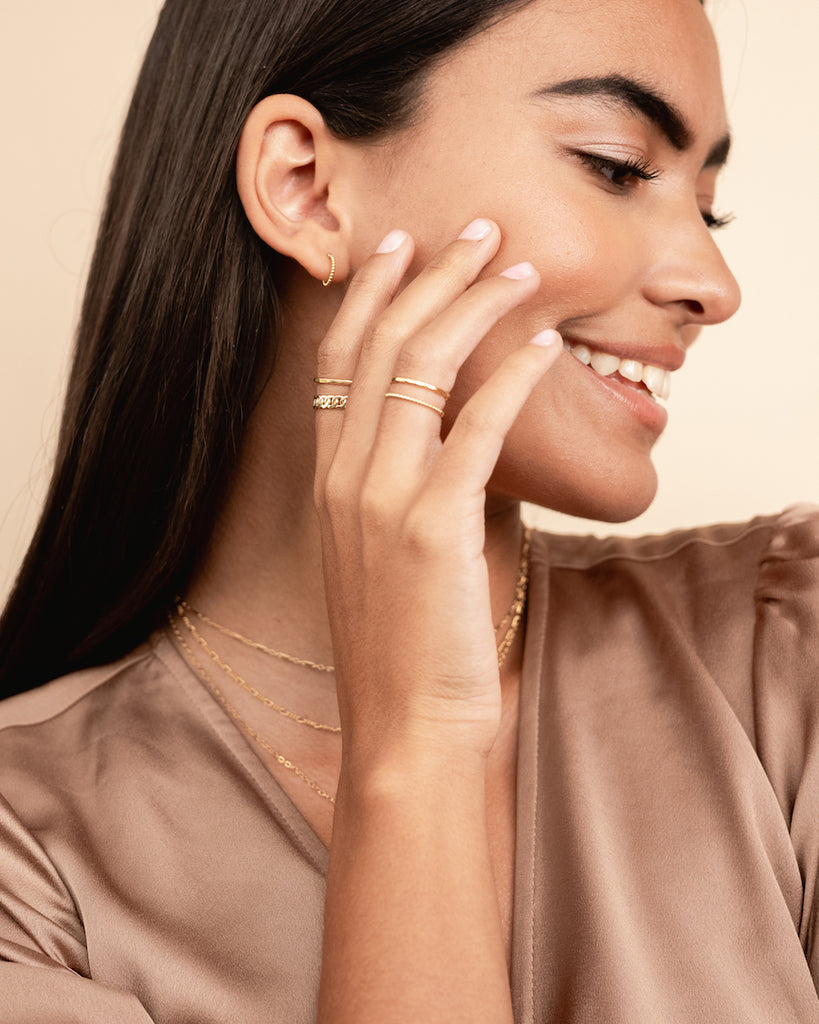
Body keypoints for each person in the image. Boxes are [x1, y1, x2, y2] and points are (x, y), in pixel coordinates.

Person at [0, 0, 816, 1020]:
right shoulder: (23, 866)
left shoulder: (789, 650)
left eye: (708, 204)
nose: (714, 281)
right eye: (617, 164)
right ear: (304, 188)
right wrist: (415, 747)